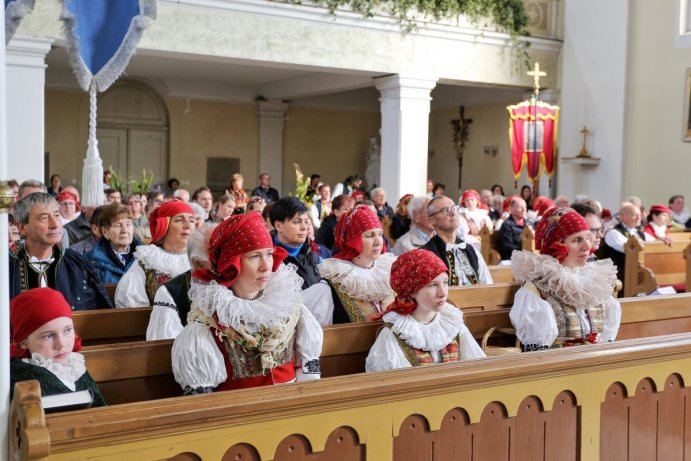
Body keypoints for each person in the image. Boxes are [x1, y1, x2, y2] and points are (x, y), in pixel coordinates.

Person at [171, 212, 323, 393]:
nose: (266, 266)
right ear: (231, 264)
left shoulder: (290, 309)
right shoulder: (206, 328)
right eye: (254, 256)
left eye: (268, 254)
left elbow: (309, 377)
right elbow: (202, 405)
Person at [509, 207, 621, 351]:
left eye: (587, 237)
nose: (587, 246)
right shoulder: (537, 289)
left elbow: (607, 338)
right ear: (557, 245)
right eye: (576, 240)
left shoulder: (594, 283)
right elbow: (538, 354)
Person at [365, 249, 485, 371]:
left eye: (445, 283)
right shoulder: (394, 335)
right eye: (433, 285)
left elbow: (479, 370)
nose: (443, 293)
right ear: (411, 291)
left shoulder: (453, 325)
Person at [9, 193, 112, 310]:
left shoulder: (77, 263)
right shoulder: (6, 266)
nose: (55, 224)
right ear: (22, 228)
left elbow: (98, 314)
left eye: (57, 215)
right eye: (44, 218)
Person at [9, 288, 107, 406]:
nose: (61, 344)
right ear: (23, 341)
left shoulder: (74, 366)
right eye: (48, 336)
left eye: (67, 330)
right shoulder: (19, 377)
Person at [303, 205, 396, 325]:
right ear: (352, 241)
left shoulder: (389, 273)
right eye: (369, 235)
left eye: (379, 234)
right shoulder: (331, 286)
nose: (378, 242)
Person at [115, 199, 195, 307]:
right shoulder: (148, 260)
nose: (187, 225)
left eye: (191, 220)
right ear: (164, 226)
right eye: (179, 220)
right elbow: (130, 305)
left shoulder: (201, 259)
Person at [146, 224, 217, 340]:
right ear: (197, 262)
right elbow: (165, 347)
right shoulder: (170, 294)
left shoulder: (238, 284)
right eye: (216, 257)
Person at [421, 196, 493, 286]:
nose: (452, 213)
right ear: (432, 220)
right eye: (445, 210)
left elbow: (487, 286)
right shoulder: (425, 255)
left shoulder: (471, 250)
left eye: (454, 208)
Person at [270, 197, 322, 289]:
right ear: (278, 226)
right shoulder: (268, 259)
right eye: (297, 222)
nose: (304, 227)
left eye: (306, 222)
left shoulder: (314, 257)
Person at [87, 204, 141, 284]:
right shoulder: (90, 261)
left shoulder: (145, 258)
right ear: (105, 232)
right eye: (118, 225)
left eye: (128, 224)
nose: (125, 230)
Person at [603, 202, 654, 284]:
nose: (638, 218)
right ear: (622, 217)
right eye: (635, 215)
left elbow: (655, 245)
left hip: (639, 272)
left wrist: (661, 239)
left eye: (640, 215)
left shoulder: (640, 233)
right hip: (622, 276)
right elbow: (630, 248)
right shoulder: (613, 233)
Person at [499, 196, 529, 261]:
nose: (524, 210)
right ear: (511, 208)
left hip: (529, 256)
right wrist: (524, 249)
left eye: (525, 207)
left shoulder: (529, 223)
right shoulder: (507, 225)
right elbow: (507, 246)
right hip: (513, 258)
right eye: (520, 207)